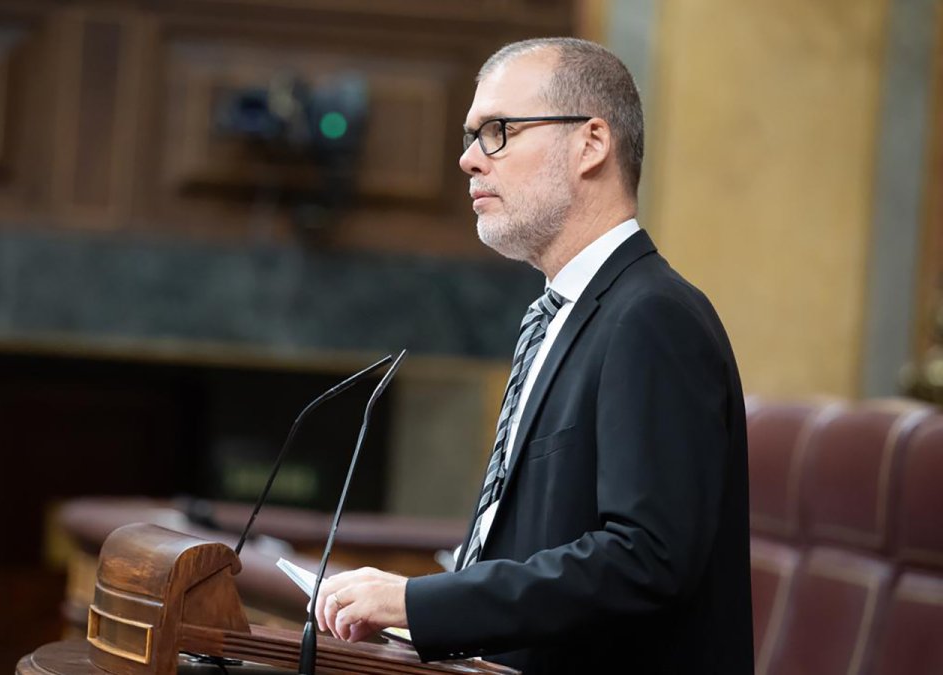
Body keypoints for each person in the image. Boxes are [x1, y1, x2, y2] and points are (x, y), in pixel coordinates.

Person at [312, 37, 753, 674]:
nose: (468, 160)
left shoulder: (653, 317)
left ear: (591, 143)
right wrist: (424, 611)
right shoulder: (558, 314)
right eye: (470, 136)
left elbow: (645, 558)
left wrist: (420, 603)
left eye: (497, 131)